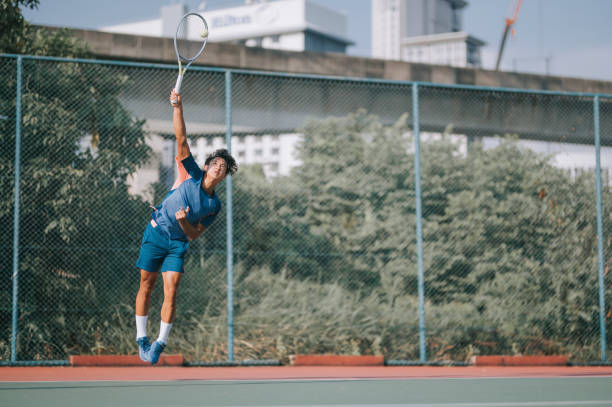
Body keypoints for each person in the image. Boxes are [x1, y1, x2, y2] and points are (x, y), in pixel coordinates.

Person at [134, 89, 237, 364]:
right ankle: (141, 338)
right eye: (215, 163)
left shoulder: (214, 207)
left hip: (177, 244)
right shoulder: (189, 173)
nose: (218, 167)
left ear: (225, 176)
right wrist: (177, 107)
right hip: (156, 233)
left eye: (223, 167)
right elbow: (181, 138)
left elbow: (194, 235)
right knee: (147, 284)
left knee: (173, 287)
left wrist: (183, 222)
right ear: (206, 166)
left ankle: (159, 342)